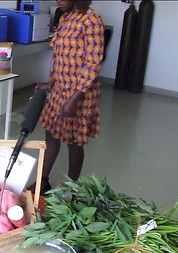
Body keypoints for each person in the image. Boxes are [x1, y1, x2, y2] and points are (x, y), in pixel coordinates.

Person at [30, 0, 105, 193]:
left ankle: (72, 189)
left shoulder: (91, 19)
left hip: (81, 93)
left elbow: (92, 63)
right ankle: (43, 181)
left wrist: (75, 98)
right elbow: (59, 57)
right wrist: (51, 83)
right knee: (51, 135)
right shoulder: (65, 17)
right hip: (59, 89)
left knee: (74, 142)